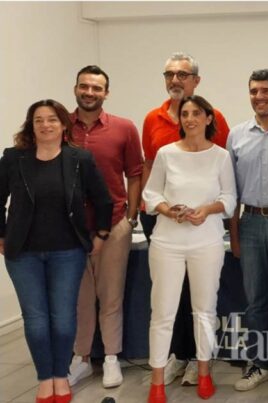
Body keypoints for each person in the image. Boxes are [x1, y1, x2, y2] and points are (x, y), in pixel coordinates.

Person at [0, 99, 112, 403]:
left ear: (64, 125)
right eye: (38, 120)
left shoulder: (80, 159)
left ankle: (61, 376)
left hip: (68, 252)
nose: (45, 125)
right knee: (36, 319)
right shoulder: (13, 158)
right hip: (23, 253)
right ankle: (45, 378)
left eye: (52, 119)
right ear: (31, 125)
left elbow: (103, 200)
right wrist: (2, 235)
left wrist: (101, 234)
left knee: (62, 318)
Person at [141, 51, 230, 386]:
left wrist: (205, 210)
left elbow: (228, 195)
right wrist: (167, 209)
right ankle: (165, 372)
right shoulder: (155, 127)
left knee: (203, 308)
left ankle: (202, 368)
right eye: (169, 75)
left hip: (205, 237)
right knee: (165, 310)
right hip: (166, 234)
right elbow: (151, 185)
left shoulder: (219, 150)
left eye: (181, 74)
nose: (174, 80)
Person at [66, 65, 144, 389]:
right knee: (78, 299)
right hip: (69, 230)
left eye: (96, 88)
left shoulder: (124, 128)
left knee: (111, 296)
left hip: (114, 225)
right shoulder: (59, 127)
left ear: (106, 93)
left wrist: (132, 216)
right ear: (76, 89)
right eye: (84, 86)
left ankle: (111, 358)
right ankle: (80, 359)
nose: (90, 92)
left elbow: (135, 173)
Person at [227, 69, 268, 391]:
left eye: (266, 91)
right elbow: (231, 193)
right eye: (254, 91)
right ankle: (261, 364)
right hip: (251, 223)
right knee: (256, 301)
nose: (259, 97)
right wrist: (235, 236)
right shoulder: (236, 135)